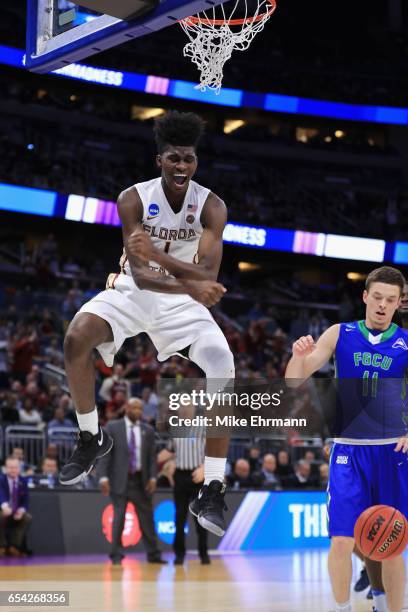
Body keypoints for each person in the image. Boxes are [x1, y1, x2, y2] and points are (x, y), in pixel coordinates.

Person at [61, 111, 235, 538]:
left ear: (196, 162)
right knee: (75, 339)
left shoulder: (212, 206)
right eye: (174, 159)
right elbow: (141, 276)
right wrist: (186, 282)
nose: (181, 166)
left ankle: (212, 487)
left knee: (223, 366)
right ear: (159, 160)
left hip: (184, 303)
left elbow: (208, 277)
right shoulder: (133, 199)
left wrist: (172, 268)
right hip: (133, 292)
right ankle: (90, 437)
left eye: (188, 160)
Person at [285, 266, 408, 612]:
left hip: (392, 453)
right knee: (341, 540)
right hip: (348, 453)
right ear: (365, 297)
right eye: (378, 297)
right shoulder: (340, 334)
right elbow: (295, 381)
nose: (383, 305)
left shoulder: (405, 344)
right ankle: (342, 609)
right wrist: (297, 356)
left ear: (399, 304)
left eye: (391, 300)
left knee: (393, 545)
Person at [97, 398, 165, 564]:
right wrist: (103, 477)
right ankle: (116, 555)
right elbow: (105, 453)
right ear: (126, 408)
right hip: (119, 480)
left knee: (147, 519)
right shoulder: (113, 427)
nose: (139, 412)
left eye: (141, 409)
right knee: (119, 518)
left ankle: (153, 554)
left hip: (140, 481)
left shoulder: (147, 430)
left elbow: (151, 458)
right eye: (135, 408)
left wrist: (153, 477)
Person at [167, 407, 209, 565]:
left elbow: (212, 451)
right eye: (183, 408)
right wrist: (165, 463)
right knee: (179, 518)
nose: (185, 410)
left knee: (201, 518)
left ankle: (203, 554)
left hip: (197, 476)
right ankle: (179, 554)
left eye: (188, 407)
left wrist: (205, 467)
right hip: (180, 475)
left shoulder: (202, 427)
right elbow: (170, 451)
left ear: (193, 409)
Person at [0, 457, 31, 557]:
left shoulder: (23, 481)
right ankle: (2, 546)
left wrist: (21, 511)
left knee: (27, 517)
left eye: (15, 467)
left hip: (16, 510)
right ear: (5, 468)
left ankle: (14, 546)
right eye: (10, 467)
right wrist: (4, 506)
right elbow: (1, 494)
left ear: (19, 468)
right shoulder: (1, 479)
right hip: (3, 509)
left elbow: (25, 501)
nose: (13, 470)